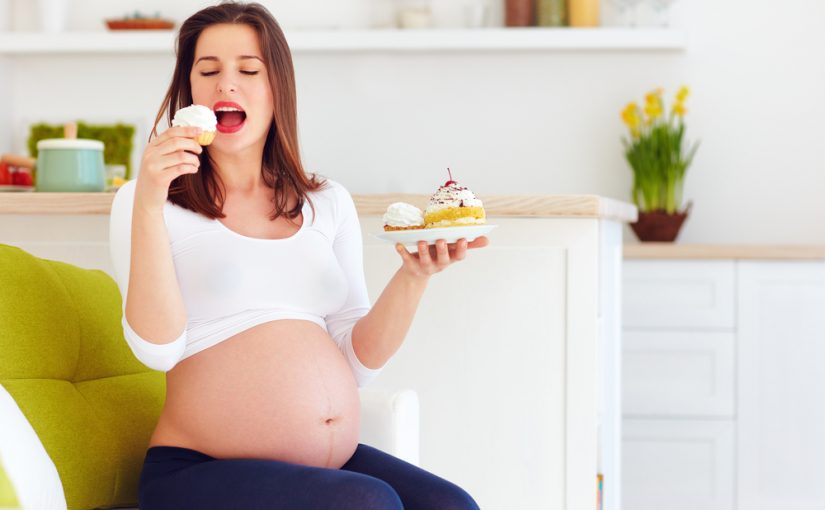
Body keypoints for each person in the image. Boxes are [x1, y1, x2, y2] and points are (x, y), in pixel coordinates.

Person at [108, 2, 488, 509]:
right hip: (197, 470)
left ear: (276, 90)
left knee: (451, 505)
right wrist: (150, 202)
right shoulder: (149, 199)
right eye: (208, 71)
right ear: (189, 90)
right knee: (366, 503)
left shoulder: (326, 201)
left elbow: (355, 360)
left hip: (325, 468)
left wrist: (414, 276)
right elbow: (155, 349)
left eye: (248, 70)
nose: (227, 85)